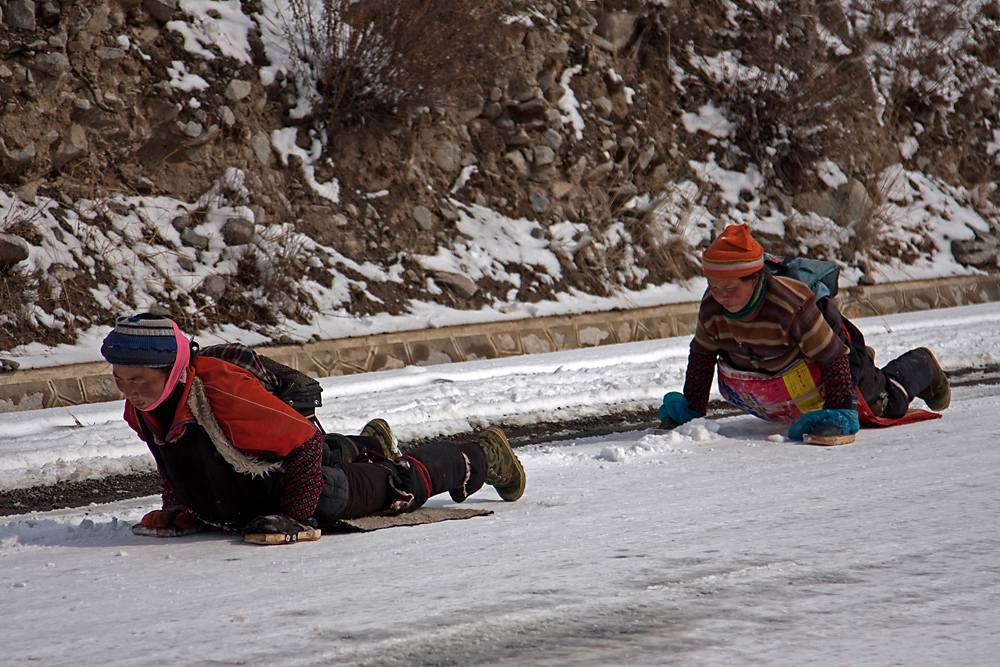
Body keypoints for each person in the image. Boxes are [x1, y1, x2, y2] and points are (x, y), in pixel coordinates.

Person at [101, 313, 526, 543]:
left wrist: (296, 517)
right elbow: (172, 456)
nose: (129, 390)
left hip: (308, 490)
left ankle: (484, 455)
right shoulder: (143, 405)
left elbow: (303, 441)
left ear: (174, 370)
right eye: (121, 379)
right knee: (315, 450)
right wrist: (181, 507)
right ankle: (367, 445)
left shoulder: (222, 392)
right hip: (256, 485)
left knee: (399, 485)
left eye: (138, 380)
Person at [659, 224, 951, 441]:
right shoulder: (712, 306)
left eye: (729, 287)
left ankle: (922, 365)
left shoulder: (789, 305)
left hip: (836, 355)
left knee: (887, 404)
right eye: (713, 285)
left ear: (754, 279)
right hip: (784, 376)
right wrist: (693, 409)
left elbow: (834, 355)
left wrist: (839, 412)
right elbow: (702, 355)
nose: (719, 295)